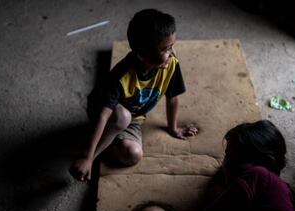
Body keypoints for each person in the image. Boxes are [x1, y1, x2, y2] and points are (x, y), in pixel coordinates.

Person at [69, 9, 198, 182]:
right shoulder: (121, 75)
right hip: (104, 110)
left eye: (172, 46)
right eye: (166, 49)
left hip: (134, 118)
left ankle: (106, 141)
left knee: (133, 155)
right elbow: (103, 115)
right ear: (141, 54)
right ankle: (90, 154)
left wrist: (173, 128)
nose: (173, 52)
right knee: (122, 117)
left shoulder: (171, 65)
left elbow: (173, 97)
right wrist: (88, 157)